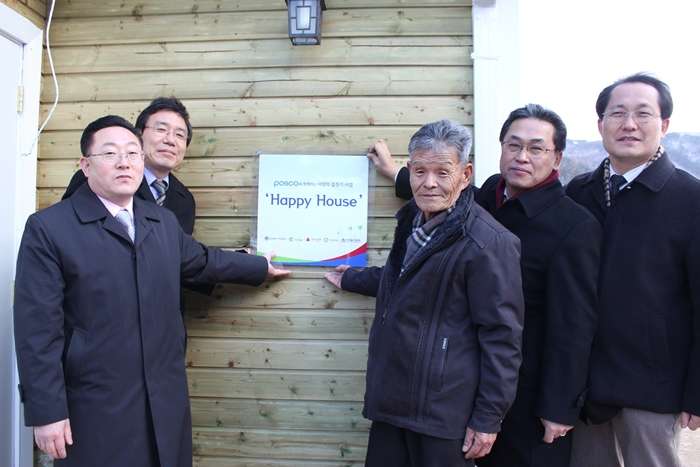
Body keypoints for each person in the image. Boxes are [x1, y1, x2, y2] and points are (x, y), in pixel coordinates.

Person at [13, 116, 290, 466]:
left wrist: (258, 266)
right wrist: (47, 411)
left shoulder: (161, 221)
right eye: (110, 153)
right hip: (95, 401)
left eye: (132, 153)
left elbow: (202, 261)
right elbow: (37, 328)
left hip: (163, 397)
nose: (124, 162)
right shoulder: (49, 228)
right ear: (85, 165)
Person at [369, 106, 602, 466]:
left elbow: (574, 326)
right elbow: (442, 186)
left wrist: (559, 406)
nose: (521, 157)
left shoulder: (573, 226)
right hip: (468, 386)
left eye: (536, 148)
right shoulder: (491, 193)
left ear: (557, 158)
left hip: (528, 391)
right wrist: (396, 172)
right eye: (513, 145)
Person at [325, 120, 525, 466]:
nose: (429, 182)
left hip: (443, 416)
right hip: (392, 402)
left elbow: (502, 338)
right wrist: (354, 279)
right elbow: (406, 278)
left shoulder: (488, 243)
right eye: (420, 171)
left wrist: (488, 418)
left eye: (442, 172)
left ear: (465, 175)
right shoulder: (412, 221)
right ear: (410, 171)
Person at [564, 73, 700, 466]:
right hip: (583, 386)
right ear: (600, 124)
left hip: (653, 386)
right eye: (617, 113)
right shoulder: (579, 192)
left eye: (643, 114)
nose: (629, 124)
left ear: (665, 125)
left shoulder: (690, 199)